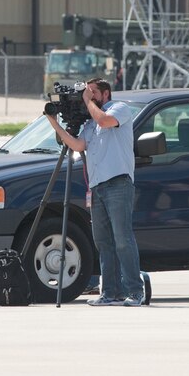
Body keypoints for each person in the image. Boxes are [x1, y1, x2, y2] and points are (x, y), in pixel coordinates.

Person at [46, 77, 143, 306]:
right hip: (98, 186)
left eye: (92, 93)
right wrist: (53, 122)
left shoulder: (119, 109)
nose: (87, 97)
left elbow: (106, 121)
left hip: (118, 183)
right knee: (103, 242)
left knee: (122, 240)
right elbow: (78, 146)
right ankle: (111, 293)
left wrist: (88, 102)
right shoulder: (90, 124)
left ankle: (135, 292)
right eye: (86, 94)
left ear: (105, 94)